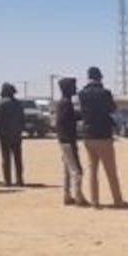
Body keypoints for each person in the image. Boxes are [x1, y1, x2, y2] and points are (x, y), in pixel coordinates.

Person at [78, 67, 128, 209]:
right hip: (103, 135)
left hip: (88, 135)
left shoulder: (82, 94)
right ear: (100, 77)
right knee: (110, 170)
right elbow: (112, 108)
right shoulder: (105, 93)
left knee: (92, 170)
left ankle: (95, 201)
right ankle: (117, 200)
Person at [54, 77, 89, 207]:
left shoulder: (64, 103)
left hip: (64, 141)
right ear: (67, 88)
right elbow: (62, 122)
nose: (75, 89)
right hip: (68, 141)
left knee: (68, 170)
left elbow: (71, 117)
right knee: (77, 170)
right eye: (73, 86)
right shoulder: (65, 103)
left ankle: (67, 195)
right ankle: (79, 197)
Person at [0, 83, 25, 186]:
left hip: (5, 134)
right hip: (16, 134)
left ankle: (8, 181)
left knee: (6, 158)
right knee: (18, 158)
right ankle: (20, 179)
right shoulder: (18, 104)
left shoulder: (1, 104)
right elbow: (22, 119)